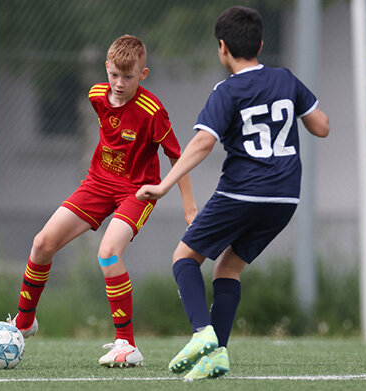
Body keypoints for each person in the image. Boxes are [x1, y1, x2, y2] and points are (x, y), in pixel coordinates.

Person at [136, 6, 330, 381]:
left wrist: (162, 186)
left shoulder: (227, 91)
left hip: (243, 192)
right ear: (260, 43)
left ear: (222, 48)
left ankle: (201, 333)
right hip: (285, 198)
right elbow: (321, 127)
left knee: (184, 258)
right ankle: (217, 355)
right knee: (228, 268)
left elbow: (203, 143)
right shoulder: (286, 79)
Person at [8, 34, 196, 368]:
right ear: (106, 67)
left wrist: (189, 207)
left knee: (108, 253)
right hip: (98, 184)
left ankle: (128, 345)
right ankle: (24, 324)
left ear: (143, 74)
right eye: (114, 75)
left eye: (128, 76)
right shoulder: (97, 95)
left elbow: (178, 158)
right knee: (41, 244)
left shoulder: (153, 112)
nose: (120, 83)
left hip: (137, 190)